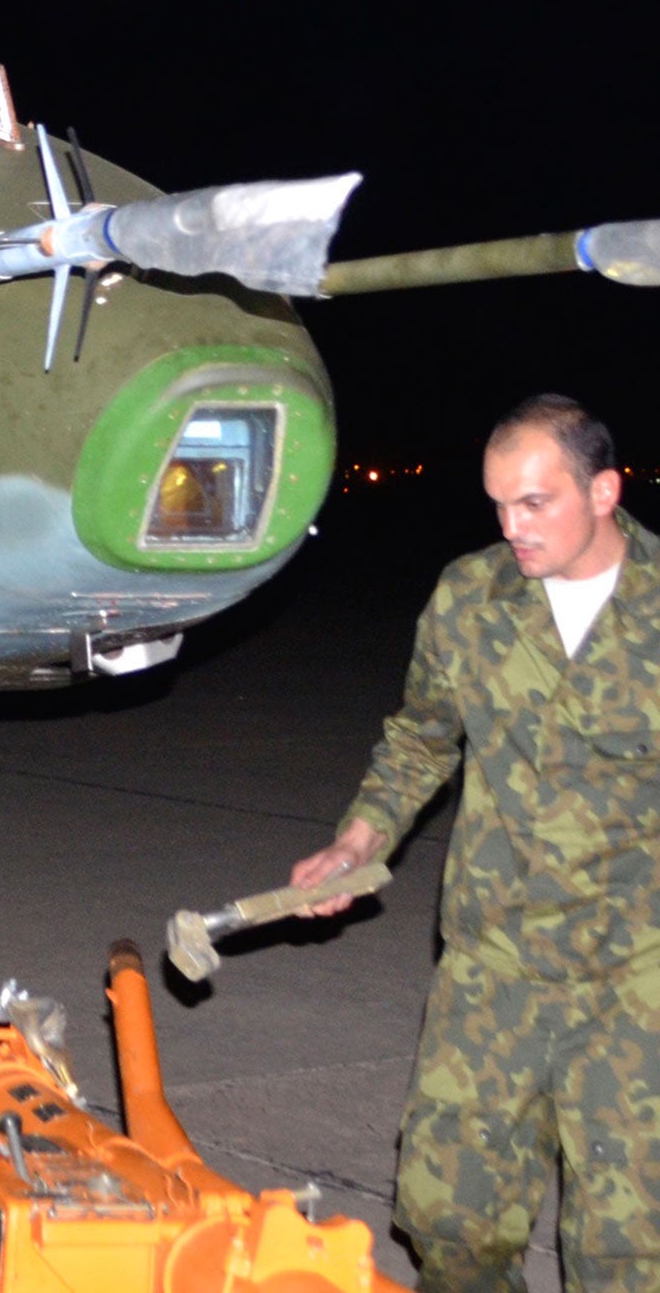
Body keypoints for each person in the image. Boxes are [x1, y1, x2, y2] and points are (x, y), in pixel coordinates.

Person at [291, 394, 660, 1293]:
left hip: (635, 979)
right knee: (452, 1224)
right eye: (498, 503)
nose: (512, 527)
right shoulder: (471, 596)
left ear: (604, 490)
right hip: (491, 965)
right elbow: (423, 737)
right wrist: (359, 839)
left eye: (536, 503)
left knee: (628, 1253)